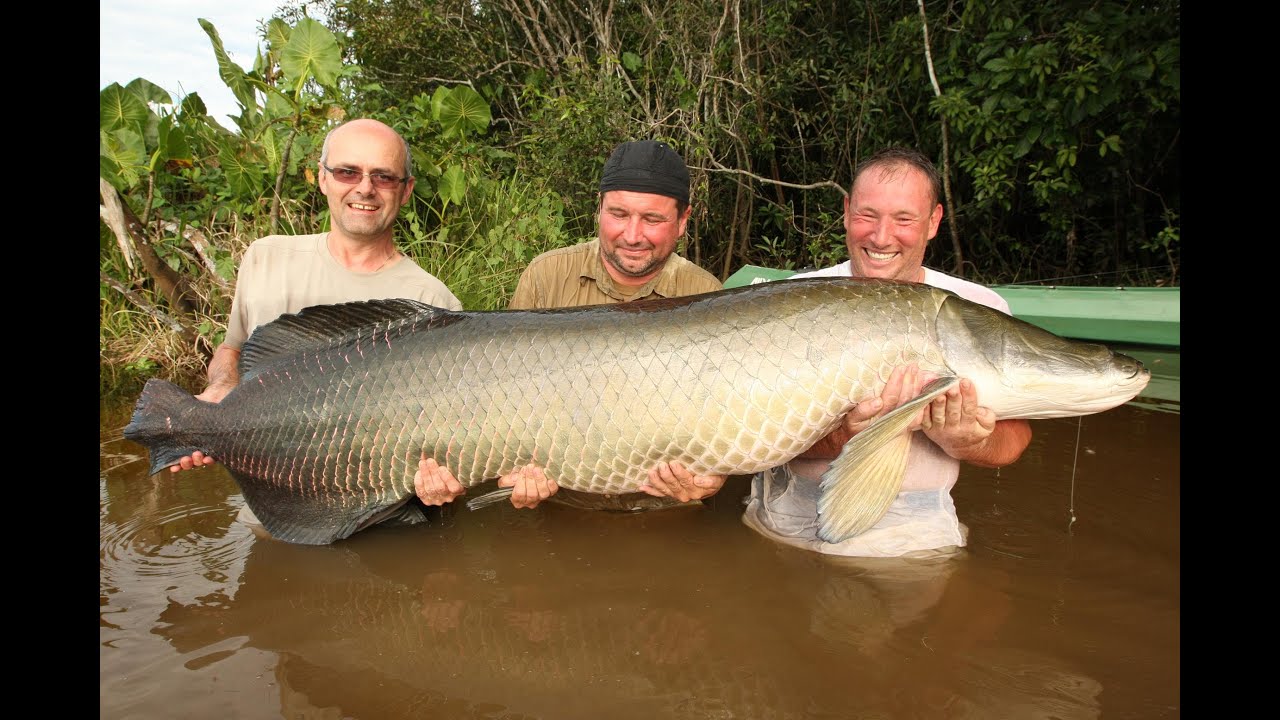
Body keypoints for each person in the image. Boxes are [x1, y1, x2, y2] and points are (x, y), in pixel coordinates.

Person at [168, 118, 464, 535]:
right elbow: (232, 349)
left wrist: (446, 481)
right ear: (323, 179)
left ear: (405, 189)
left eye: (383, 176)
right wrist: (219, 392)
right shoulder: (265, 258)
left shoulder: (434, 302)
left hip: (378, 524)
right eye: (348, 172)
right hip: (274, 515)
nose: (364, 188)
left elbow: (449, 432)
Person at [740, 146, 1034, 558]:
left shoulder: (979, 308)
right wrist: (847, 433)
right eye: (867, 215)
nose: (881, 237)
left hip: (914, 532)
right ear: (846, 211)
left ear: (933, 221)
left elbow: (1013, 442)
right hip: (783, 517)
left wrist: (968, 442)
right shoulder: (790, 302)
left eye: (903, 219)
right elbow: (748, 437)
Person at [414, 139, 729, 512]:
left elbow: (718, 420)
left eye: (652, 219)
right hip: (562, 503)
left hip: (660, 506)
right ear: (599, 209)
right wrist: (511, 472)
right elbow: (505, 400)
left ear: (683, 220)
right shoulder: (545, 276)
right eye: (618, 214)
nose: (631, 235)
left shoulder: (706, 294)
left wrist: (710, 480)